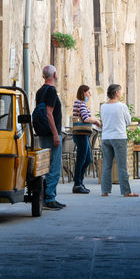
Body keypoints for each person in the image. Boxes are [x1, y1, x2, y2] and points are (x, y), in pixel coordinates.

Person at [34, 63, 65, 210]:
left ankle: (46, 196)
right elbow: (49, 113)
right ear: (54, 75)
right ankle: (50, 198)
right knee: (54, 166)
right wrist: (55, 134)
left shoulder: (40, 91)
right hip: (51, 133)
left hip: (42, 132)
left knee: (46, 166)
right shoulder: (51, 91)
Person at [99, 83, 138, 197]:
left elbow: (103, 121)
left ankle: (105, 190)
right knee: (122, 165)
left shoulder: (103, 106)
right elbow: (128, 121)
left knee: (107, 165)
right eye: (120, 91)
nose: (121, 94)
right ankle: (126, 191)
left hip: (106, 137)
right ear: (116, 93)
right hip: (119, 136)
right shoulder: (122, 106)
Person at [71, 84, 100, 194]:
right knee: (82, 159)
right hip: (81, 134)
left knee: (87, 158)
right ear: (83, 93)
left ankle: (80, 182)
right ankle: (77, 184)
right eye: (88, 92)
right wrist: (96, 121)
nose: (90, 94)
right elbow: (85, 118)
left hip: (82, 134)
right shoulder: (81, 103)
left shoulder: (80, 103)